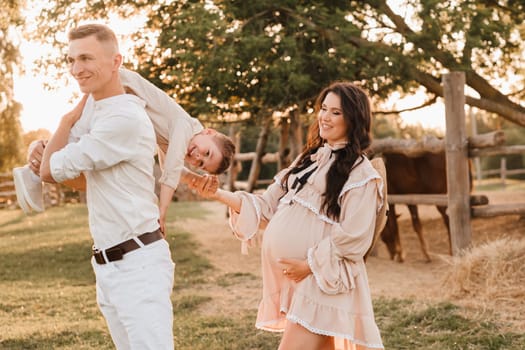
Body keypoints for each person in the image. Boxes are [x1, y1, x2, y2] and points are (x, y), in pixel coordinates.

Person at [199, 82, 385, 349]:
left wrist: (309, 265)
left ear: (354, 119)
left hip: (323, 280)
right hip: (304, 279)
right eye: (323, 109)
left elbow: (355, 237)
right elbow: (266, 207)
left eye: (336, 113)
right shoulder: (306, 161)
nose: (325, 117)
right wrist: (217, 194)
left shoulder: (360, 173)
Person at [39, 23, 175, 349]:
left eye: (86, 58)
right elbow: (84, 179)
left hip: (137, 266)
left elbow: (48, 169)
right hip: (108, 265)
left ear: (116, 62)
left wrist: (63, 124)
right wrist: (43, 147)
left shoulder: (122, 119)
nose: (76, 69)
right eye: (71, 60)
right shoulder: (98, 112)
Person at [13, 67, 233, 231]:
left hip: (120, 95)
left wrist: (195, 178)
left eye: (201, 163)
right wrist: (162, 214)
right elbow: (171, 171)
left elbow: (169, 165)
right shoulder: (184, 126)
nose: (197, 157)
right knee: (77, 136)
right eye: (207, 152)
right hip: (118, 86)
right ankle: (33, 171)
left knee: (78, 140)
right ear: (209, 132)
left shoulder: (179, 138)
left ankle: (33, 171)